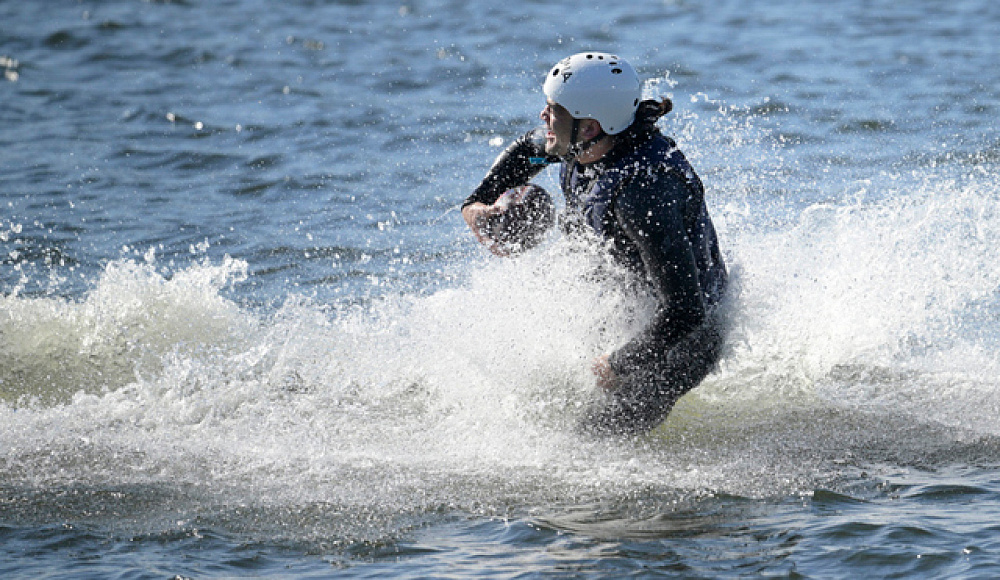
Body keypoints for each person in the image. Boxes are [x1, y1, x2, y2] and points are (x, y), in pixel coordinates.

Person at [461, 52, 729, 435]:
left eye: (553, 110)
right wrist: (476, 205)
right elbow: (525, 150)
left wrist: (617, 363)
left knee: (590, 441)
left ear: (588, 127)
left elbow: (686, 312)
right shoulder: (581, 142)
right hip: (636, 303)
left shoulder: (643, 193)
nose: (543, 117)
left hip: (686, 337)